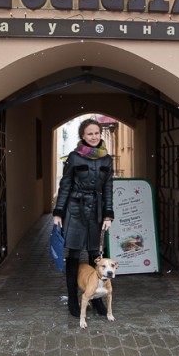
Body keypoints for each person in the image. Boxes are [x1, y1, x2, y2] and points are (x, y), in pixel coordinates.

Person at [53, 118, 114, 318]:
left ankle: (96, 299)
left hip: (96, 211)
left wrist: (108, 214)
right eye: (90, 133)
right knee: (73, 255)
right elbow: (65, 185)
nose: (94, 137)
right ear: (83, 135)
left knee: (95, 255)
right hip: (75, 210)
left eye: (96, 133)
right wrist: (58, 212)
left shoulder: (107, 159)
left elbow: (108, 188)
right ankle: (72, 297)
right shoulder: (74, 157)